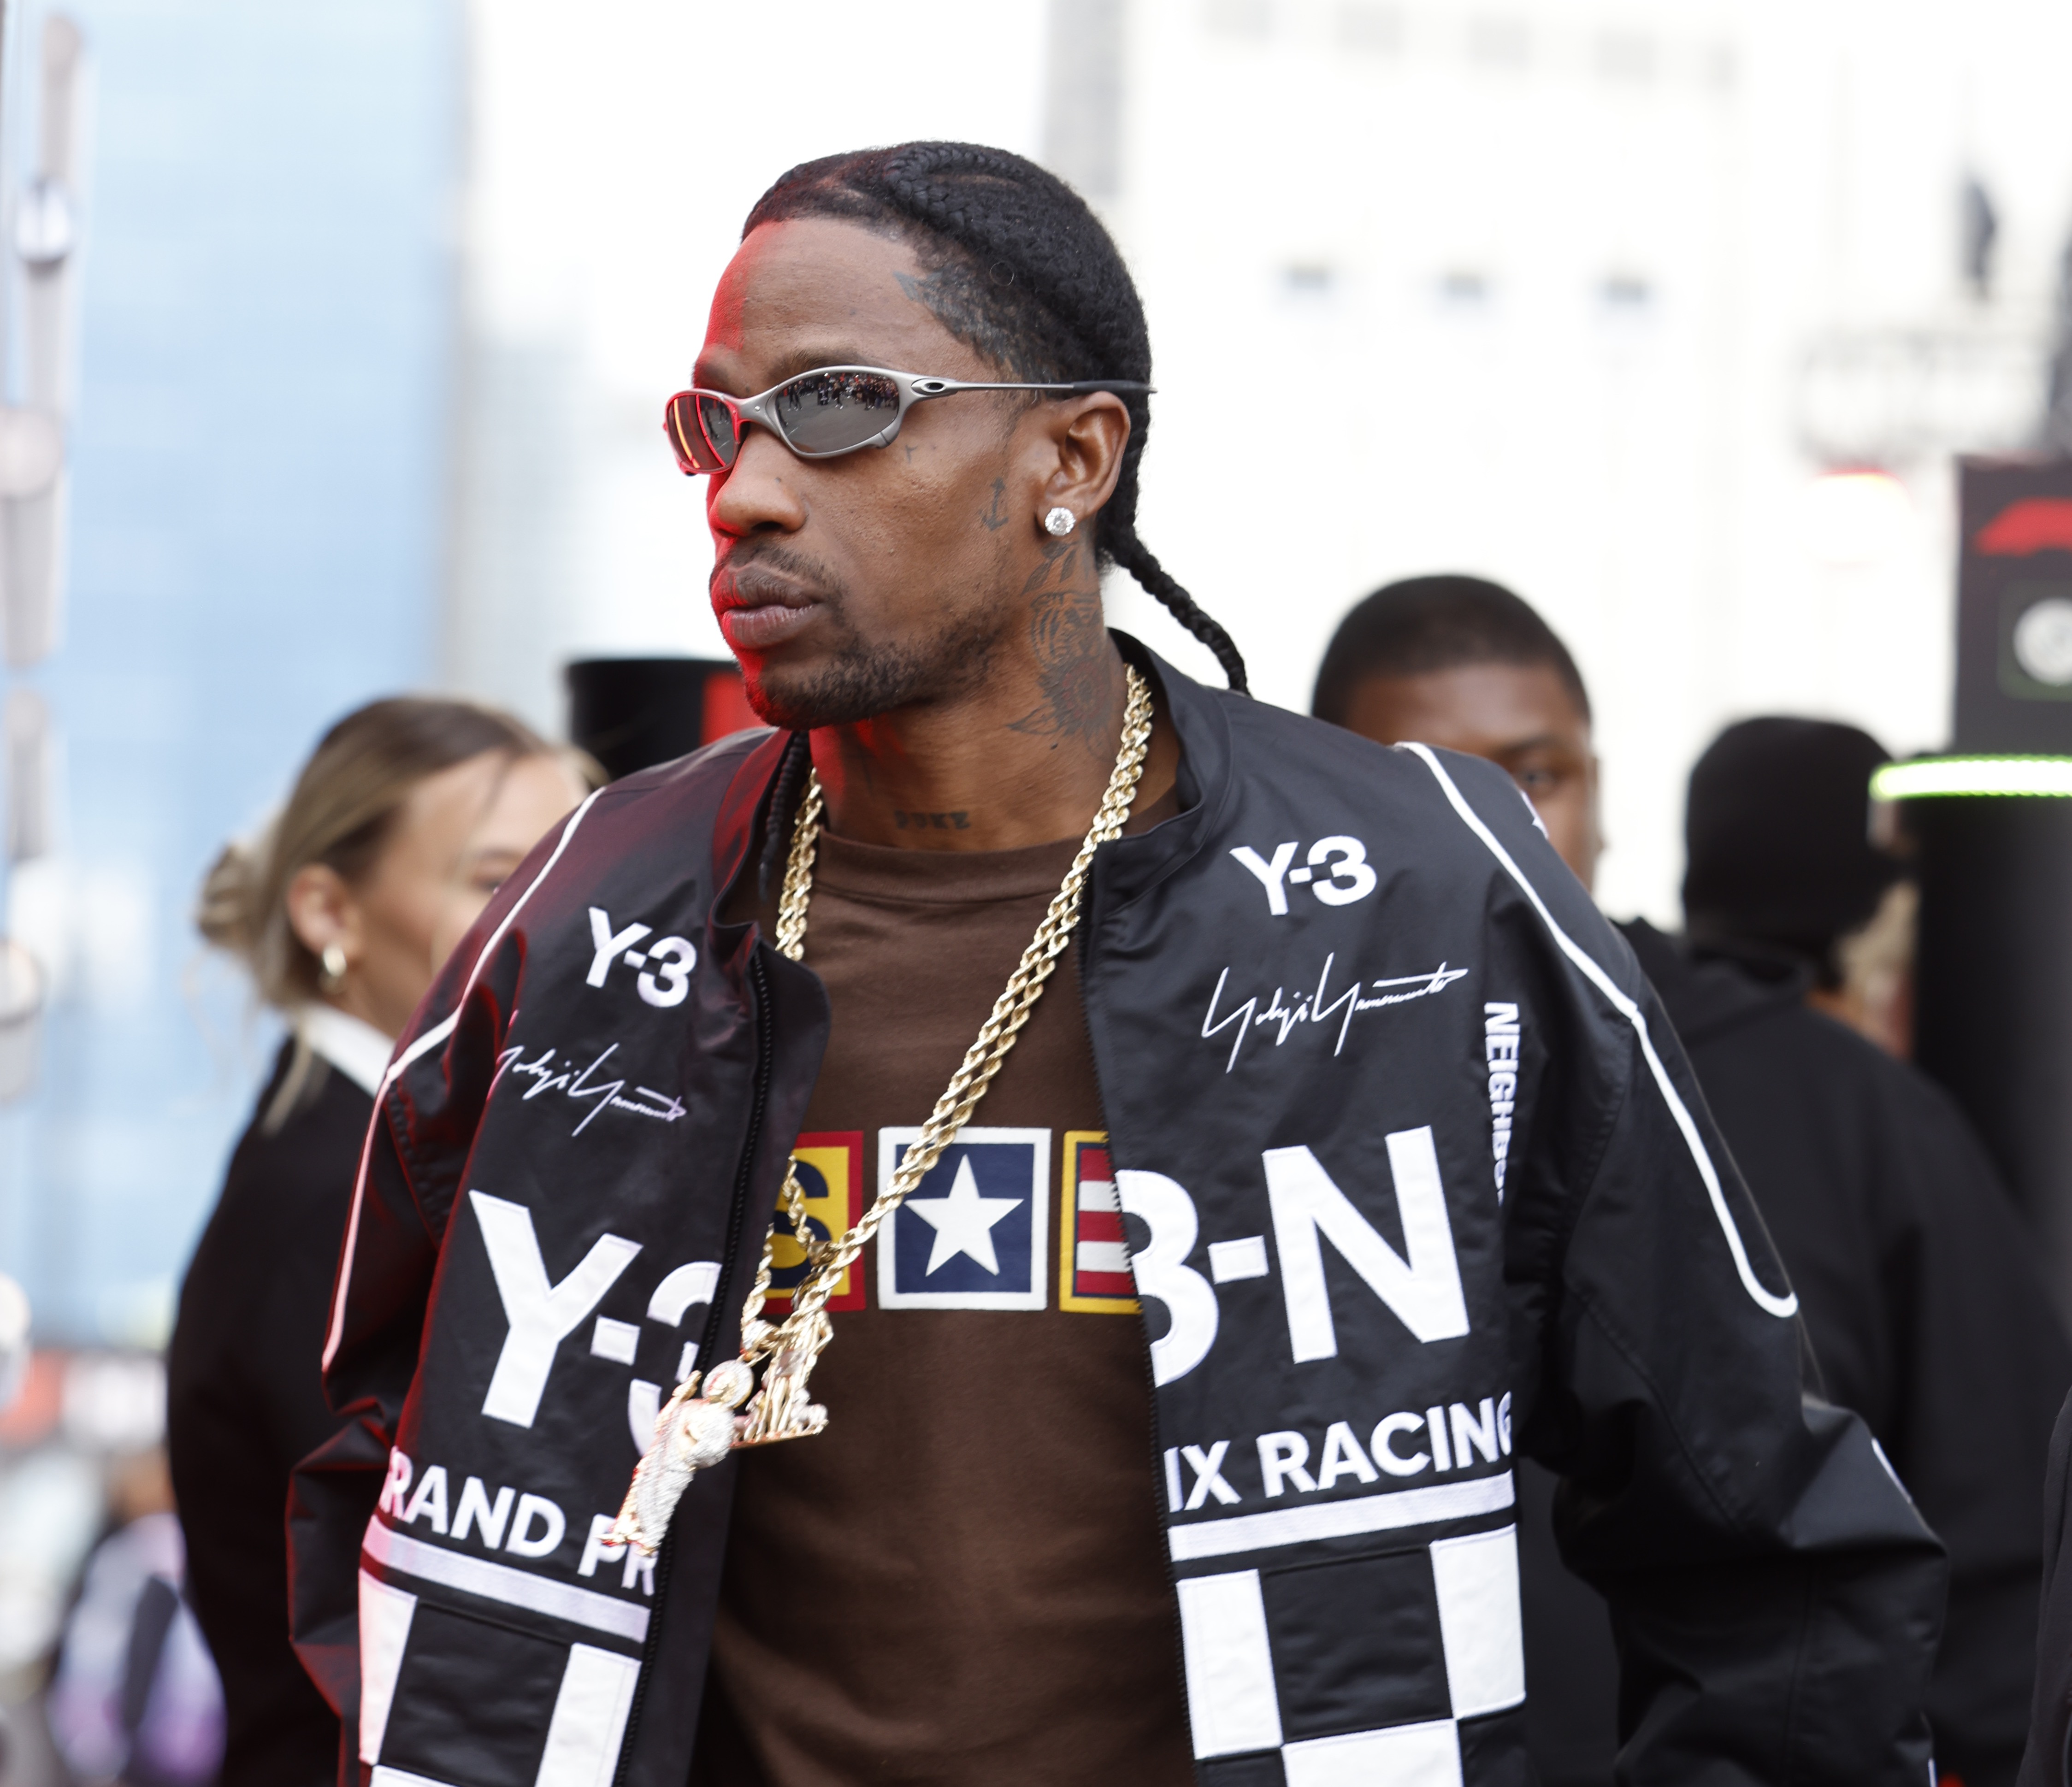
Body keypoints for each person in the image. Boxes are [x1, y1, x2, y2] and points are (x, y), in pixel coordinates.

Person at [290, 144, 1942, 1787]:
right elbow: (386, 1479)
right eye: (714, 422)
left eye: (838, 405)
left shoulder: (1418, 899)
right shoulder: (602, 907)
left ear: (1069, 455)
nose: (747, 490)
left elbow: (1769, 1549)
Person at [1319, 573, 2072, 1787]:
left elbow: (2003, 1564)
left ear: (1606, 794)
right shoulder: (1233, 1095)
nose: (1494, 825)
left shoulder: (1840, 1107)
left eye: (1539, 774)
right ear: (1322, 812)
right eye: (1420, 782)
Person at [165, 698, 590, 1787]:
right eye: (500, 880)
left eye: (588, 881)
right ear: (327, 909)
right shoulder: (332, 1199)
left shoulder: (374, 1172)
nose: (572, 926)